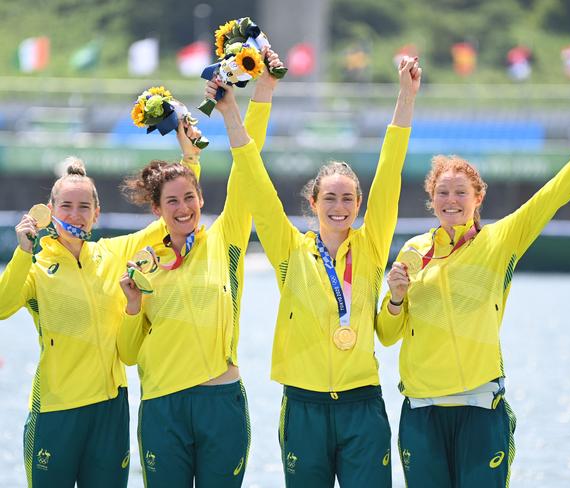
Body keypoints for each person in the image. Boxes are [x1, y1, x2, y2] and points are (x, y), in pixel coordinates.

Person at [376, 90, 570, 488]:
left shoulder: (501, 240)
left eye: (461, 192)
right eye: (442, 193)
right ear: (431, 199)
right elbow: (387, 334)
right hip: (422, 414)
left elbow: (558, 190)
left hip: (482, 410)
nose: (452, 200)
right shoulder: (413, 251)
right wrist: (395, 298)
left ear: (478, 198)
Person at [211, 56, 421, 487]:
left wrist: (406, 95)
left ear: (359, 204)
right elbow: (254, 179)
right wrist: (232, 111)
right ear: (313, 203)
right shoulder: (288, 249)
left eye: (347, 199)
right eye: (330, 198)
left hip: (362, 405)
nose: (339, 207)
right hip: (303, 406)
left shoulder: (373, 244)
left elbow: (390, 168)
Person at [0, 115, 203, 487]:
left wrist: (191, 159)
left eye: (83, 207)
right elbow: (1, 306)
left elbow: (173, 219)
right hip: (56, 411)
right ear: (49, 211)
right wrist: (21, 253)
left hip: (111, 410)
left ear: (96, 214)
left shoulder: (113, 253)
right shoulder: (36, 265)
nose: (74, 215)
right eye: (66, 207)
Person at [117, 49, 283, 488]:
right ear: (157, 209)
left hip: (220, 401)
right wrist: (133, 303)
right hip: (162, 404)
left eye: (189, 197)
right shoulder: (143, 257)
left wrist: (262, 91)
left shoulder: (226, 239)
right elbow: (130, 353)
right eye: (171, 201)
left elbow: (249, 163)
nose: (183, 207)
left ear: (201, 199)